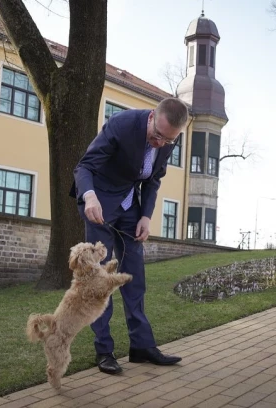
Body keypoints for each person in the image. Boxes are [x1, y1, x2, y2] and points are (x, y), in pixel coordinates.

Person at [69, 97, 189, 374]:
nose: (160, 143)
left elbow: (153, 178)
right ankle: (104, 350)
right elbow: (84, 166)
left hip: (129, 206)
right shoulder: (121, 125)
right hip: (98, 203)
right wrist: (89, 197)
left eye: (168, 140)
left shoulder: (168, 138)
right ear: (151, 118)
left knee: (134, 276)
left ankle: (141, 346)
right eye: (157, 136)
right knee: (100, 279)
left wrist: (145, 215)